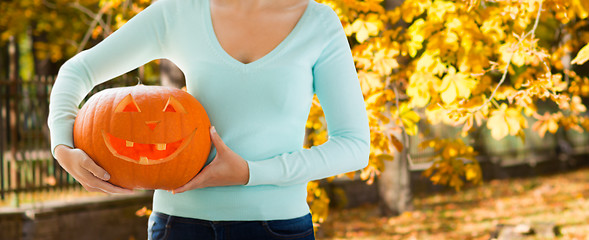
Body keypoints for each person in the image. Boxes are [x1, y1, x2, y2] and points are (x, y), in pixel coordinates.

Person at [48, 0, 370, 239]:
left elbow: (354, 145)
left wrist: (250, 173)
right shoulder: (181, 11)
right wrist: (62, 148)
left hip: (279, 228)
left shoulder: (318, 23)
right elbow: (77, 72)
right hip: (179, 226)